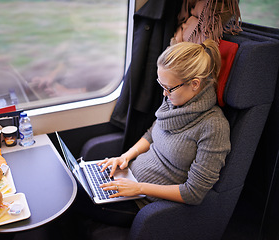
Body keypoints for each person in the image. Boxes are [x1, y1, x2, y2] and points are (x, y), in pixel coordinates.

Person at [62, 38, 231, 235]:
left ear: (194, 84)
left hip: (144, 203)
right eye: (162, 85)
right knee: (70, 181)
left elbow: (194, 193)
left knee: (68, 198)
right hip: (129, 183)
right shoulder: (174, 102)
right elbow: (152, 134)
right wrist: (125, 156)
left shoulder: (214, 127)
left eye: (169, 88)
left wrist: (138, 188)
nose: (164, 94)